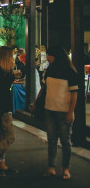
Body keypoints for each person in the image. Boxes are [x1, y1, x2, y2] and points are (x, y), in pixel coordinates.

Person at [41, 46, 78, 180]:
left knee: (65, 141)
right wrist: (37, 102)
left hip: (63, 111)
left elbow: (74, 95)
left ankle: (66, 169)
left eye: (48, 55)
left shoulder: (70, 72)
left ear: (55, 56)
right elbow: (44, 88)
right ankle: (51, 167)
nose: (47, 58)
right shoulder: (49, 70)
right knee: (51, 140)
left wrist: (71, 112)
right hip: (49, 109)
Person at [0, 46, 21, 176]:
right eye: (11, 56)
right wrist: (12, 75)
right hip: (2, 106)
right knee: (10, 136)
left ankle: (2, 163)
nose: (12, 58)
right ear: (5, 57)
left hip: (1, 105)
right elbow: (1, 87)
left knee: (2, 134)